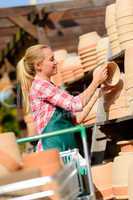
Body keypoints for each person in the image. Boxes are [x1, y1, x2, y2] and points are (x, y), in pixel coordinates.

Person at [17, 44, 108, 152]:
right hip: (52, 151)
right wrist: (96, 81)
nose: (56, 62)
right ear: (38, 66)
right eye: (51, 59)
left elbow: (76, 119)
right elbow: (75, 104)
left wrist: (98, 93)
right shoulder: (41, 86)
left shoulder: (50, 86)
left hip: (64, 149)